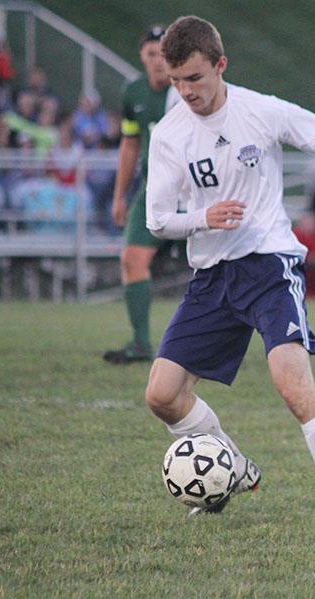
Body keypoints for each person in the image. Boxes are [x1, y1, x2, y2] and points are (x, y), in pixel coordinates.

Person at [142, 15, 315, 531]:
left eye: (195, 78)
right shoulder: (169, 134)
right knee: (161, 395)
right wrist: (204, 217)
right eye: (177, 81)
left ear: (221, 66)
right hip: (211, 276)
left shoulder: (260, 112)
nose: (186, 92)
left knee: (291, 384)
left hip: (268, 264)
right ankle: (235, 467)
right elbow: (158, 219)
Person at [102, 26, 181, 364]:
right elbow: (130, 143)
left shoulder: (186, 89)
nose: (159, 61)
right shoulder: (133, 91)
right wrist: (120, 196)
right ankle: (141, 344)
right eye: (152, 54)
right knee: (132, 260)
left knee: (225, 266)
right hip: (154, 192)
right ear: (143, 57)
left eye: (164, 54)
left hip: (195, 193)